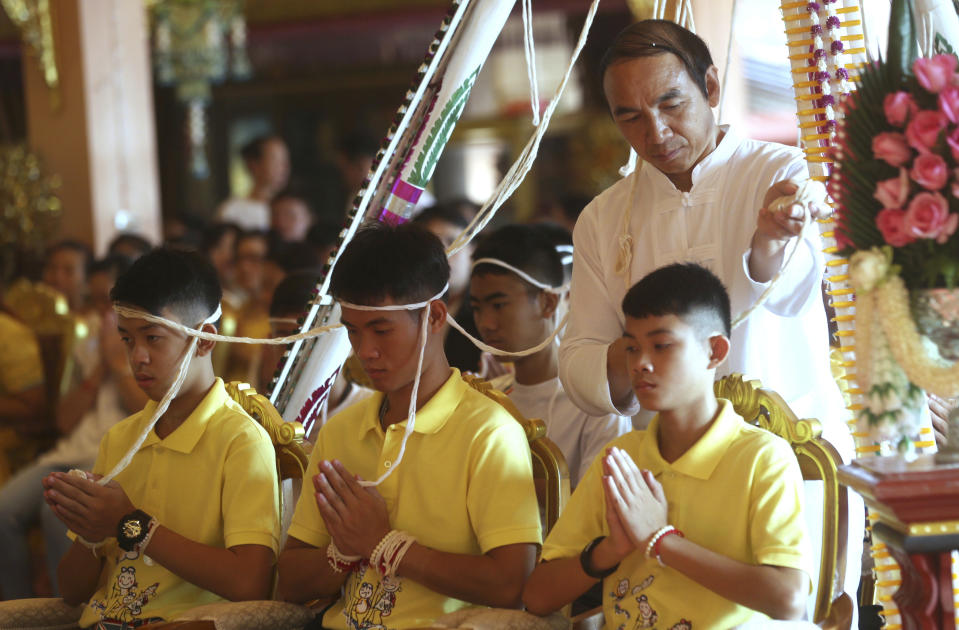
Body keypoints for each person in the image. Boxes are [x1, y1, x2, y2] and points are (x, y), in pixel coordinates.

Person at [557, 20, 862, 611]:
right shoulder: (602, 218)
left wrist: (769, 244)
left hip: (788, 457)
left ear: (712, 87)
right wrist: (656, 350)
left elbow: (795, 291)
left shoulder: (782, 174)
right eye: (630, 117)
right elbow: (580, 365)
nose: (656, 131)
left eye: (671, 103)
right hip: (666, 476)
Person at [277, 223, 541, 629]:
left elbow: (511, 584)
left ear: (434, 316)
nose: (364, 351)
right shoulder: (342, 431)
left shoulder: (488, 433)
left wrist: (383, 544)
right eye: (353, 330)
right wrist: (343, 553)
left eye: (381, 329)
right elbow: (291, 580)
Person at [525, 263, 811, 627]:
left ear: (715, 351)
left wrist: (661, 541)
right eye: (631, 348)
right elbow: (536, 596)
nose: (641, 363)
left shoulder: (762, 458)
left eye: (661, 345)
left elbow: (787, 600)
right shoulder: (622, 457)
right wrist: (608, 551)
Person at [40, 248, 280, 627]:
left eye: (153, 338)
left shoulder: (240, 441)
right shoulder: (121, 438)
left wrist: (131, 525)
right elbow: (72, 592)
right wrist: (89, 532)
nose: (137, 357)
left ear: (204, 339)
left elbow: (249, 582)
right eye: (127, 340)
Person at [0, 256, 145, 600]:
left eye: (112, 305)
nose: (104, 316)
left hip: (112, 458)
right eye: (97, 304)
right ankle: (19, 612)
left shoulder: (147, 349)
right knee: (3, 511)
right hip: (67, 455)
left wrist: (117, 362)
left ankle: (67, 613)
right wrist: (98, 371)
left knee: (58, 518)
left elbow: (148, 412)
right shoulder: (86, 343)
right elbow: (64, 421)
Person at [469, 225, 630, 487]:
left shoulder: (596, 404)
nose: (486, 323)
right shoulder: (484, 400)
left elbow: (596, 512)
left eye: (499, 305)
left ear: (548, 303)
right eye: (477, 308)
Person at [260, 272, 372, 428]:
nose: (296, 354)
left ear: (349, 346)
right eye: (286, 341)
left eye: (312, 342)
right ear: (270, 342)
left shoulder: (375, 416)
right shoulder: (258, 417)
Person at [217, 135, 291, 231]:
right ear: (253, 165)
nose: (285, 167)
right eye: (275, 160)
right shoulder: (231, 212)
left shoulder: (296, 210)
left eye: (285, 160)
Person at [42, 240, 93, 313]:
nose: (57, 277)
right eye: (52, 268)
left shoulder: (99, 321)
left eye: (68, 270)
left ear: (87, 280)